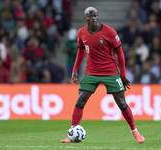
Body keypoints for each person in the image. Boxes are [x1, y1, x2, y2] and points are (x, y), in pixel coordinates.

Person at [61, 7, 145, 144]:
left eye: (95, 15)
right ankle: (72, 133)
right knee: (80, 100)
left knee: (122, 103)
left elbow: (120, 54)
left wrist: (122, 75)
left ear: (98, 17)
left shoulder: (110, 32)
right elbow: (81, 51)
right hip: (91, 72)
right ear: (85, 18)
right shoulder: (81, 32)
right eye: (90, 16)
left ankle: (134, 130)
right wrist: (75, 69)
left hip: (111, 72)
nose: (93, 18)